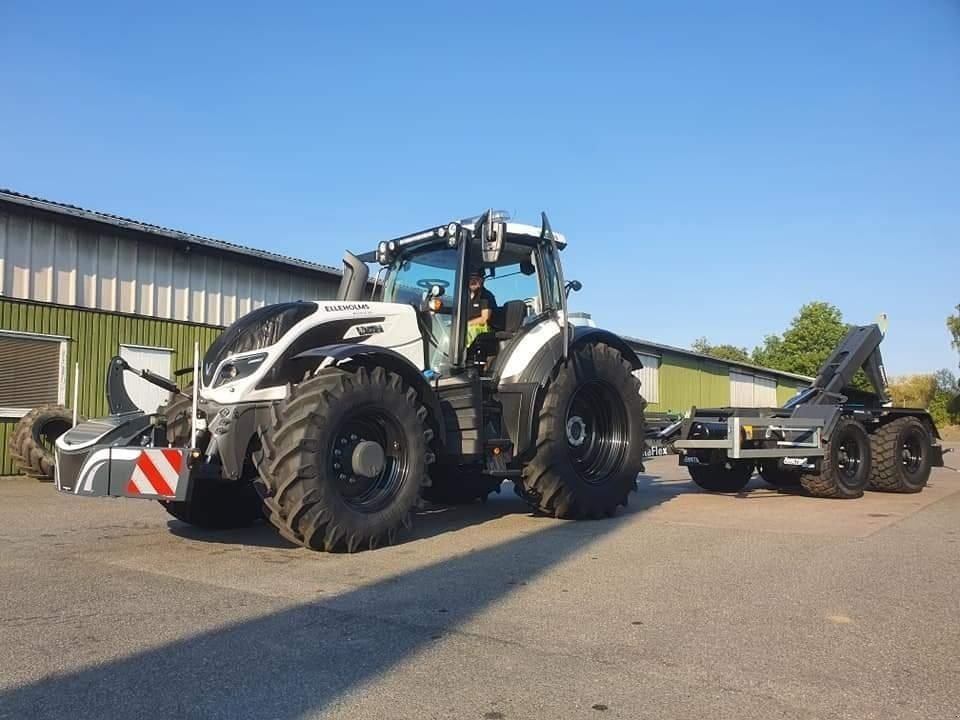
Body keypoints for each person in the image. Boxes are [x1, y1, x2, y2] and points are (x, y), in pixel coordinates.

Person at [466, 270, 496, 347]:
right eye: (470, 278)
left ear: (482, 280)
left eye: (476, 278)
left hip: (483, 329)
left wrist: (465, 324)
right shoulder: (463, 296)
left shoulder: (486, 296)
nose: (473, 281)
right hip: (465, 326)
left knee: (465, 332)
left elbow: (484, 318)